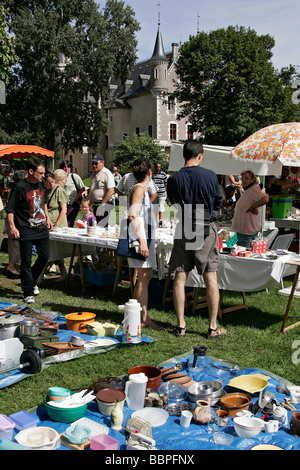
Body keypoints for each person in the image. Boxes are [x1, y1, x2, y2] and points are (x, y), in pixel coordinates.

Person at [167, 140, 225, 339]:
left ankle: (181, 325)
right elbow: (218, 200)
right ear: (200, 156)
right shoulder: (209, 175)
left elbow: (172, 201)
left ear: (184, 155)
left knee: (180, 275)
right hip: (204, 224)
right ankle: (212, 326)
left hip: (184, 225)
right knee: (210, 275)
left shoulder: (174, 178)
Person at [6, 160, 52, 303]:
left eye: (44, 173)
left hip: (41, 227)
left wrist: (48, 219)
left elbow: (43, 203)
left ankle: (30, 280)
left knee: (45, 256)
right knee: (26, 261)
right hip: (25, 228)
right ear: (31, 172)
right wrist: (13, 227)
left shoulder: (40, 185)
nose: (43, 176)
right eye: (41, 173)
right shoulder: (19, 187)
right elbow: (10, 209)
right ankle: (27, 292)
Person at [126, 158, 162, 330]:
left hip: (144, 236)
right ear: (150, 172)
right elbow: (133, 216)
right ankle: (143, 318)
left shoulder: (141, 189)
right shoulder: (139, 189)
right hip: (140, 238)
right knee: (143, 278)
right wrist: (142, 241)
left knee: (144, 278)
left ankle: (136, 315)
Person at [231, 170, 269, 249]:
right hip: (244, 231)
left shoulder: (254, 189)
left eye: (247, 178)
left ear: (252, 179)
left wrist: (253, 207)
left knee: (244, 256)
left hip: (247, 232)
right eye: (243, 178)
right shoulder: (248, 190)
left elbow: (265, 199)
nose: (244, 181)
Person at [44, 170, 69, 280]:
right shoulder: (44, 190)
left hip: (57, 225)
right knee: (49, 248)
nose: (51, 184)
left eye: (52, 181)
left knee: (56, 249)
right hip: (48, 224)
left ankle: (62, 271)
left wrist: (56, 225)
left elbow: (64, 209)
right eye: (48, 182)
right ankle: (54, 269)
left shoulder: (59, 190)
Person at [4, 170, 28, 276]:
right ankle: (11, 265)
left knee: (15, 244)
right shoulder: (17, 190)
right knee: (16, 244)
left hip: (14, 221)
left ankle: (15, 264)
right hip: (14, 221)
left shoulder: (15, 189)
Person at [89, 154, 115, 226]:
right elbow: (94, 187)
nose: (94, 165)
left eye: (96, 163)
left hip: (104, 205)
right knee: (95, 227)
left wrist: (102, 205)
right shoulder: (94, 174)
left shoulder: (107, 173)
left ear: (102, 163)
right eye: (93, 163)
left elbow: (111, 190)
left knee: (102, 228)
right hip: (95, 205)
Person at [60, 159, 87, 227]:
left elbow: (82, 188)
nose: (66, 168)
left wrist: (75, 200)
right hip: (62, 203)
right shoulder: (60, 178)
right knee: (62, 222)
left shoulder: (74, 176)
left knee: (69, 222)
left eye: (68, 166)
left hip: (72, 203)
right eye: (64, 166)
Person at [152, 162, 168, 227]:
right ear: (154, 167)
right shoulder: (152, 174)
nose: (158, 168)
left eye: (159, 167)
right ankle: (157, 221)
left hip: (162, 194)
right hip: (154, 194)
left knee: (161, 208)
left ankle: (160, 221)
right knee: (156, 208)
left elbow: (166, 184)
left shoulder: (163, 174)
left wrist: (164, 191)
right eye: (157, 167)